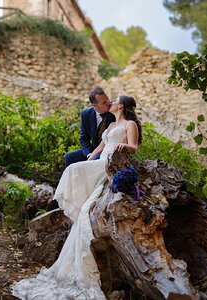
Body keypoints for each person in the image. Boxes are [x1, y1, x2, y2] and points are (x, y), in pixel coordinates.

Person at [12, 96, 142, 300]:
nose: (112, 102)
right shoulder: (113, 123)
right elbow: (101, 145)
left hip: (111, 164)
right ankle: (75, 200)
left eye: (115, 100)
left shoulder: (129, 123)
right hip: (101, 159)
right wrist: (91, 156)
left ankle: (73, 198)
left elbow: (134, 147)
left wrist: (124, 147)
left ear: (121, 106)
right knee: (74, 167)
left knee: (74, 169)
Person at [64, 87, 115, 167]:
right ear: (94, 105)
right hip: (93, 150)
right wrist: (89, 154)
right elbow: (84, 138)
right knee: (69, 157)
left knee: (91, 163)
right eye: (104, 102)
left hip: (109, 151)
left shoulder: (114, 112)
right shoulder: (86, 114)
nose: (108, 103)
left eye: (108, 100)